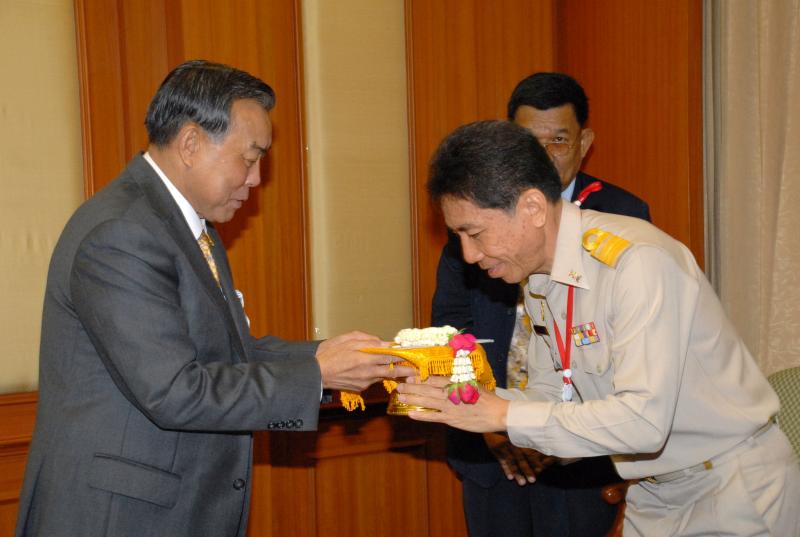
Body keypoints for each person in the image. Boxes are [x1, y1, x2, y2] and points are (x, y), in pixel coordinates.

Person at [14, 60, 413, 537]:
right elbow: (174, 391)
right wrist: (318, 374)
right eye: (249, 157)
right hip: (118, 517)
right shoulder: (121, 233)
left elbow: (226, 355)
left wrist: (327, 356)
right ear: (190, 144)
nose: (257, 179)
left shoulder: (186, 225)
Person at [400, 120, 800, 536]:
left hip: (731, 487)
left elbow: (644, 422)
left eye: (475, 233)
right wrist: (468, 398)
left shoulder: (636, 262)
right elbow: (554, 393)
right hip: (652, 488)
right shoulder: (539, 278)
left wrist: (502, 413)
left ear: (533, 208)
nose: (468, 254)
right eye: (459, 237)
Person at [433, 72, 648, 536]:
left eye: (559, 141)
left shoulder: (622, 219)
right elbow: (451, 329)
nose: (545, 155)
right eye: (530, 142)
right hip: (490, 448)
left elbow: (630, 368)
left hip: (582, 458)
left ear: (584, 143)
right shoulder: (475, 217)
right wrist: (491, 422)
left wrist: (536, 427)